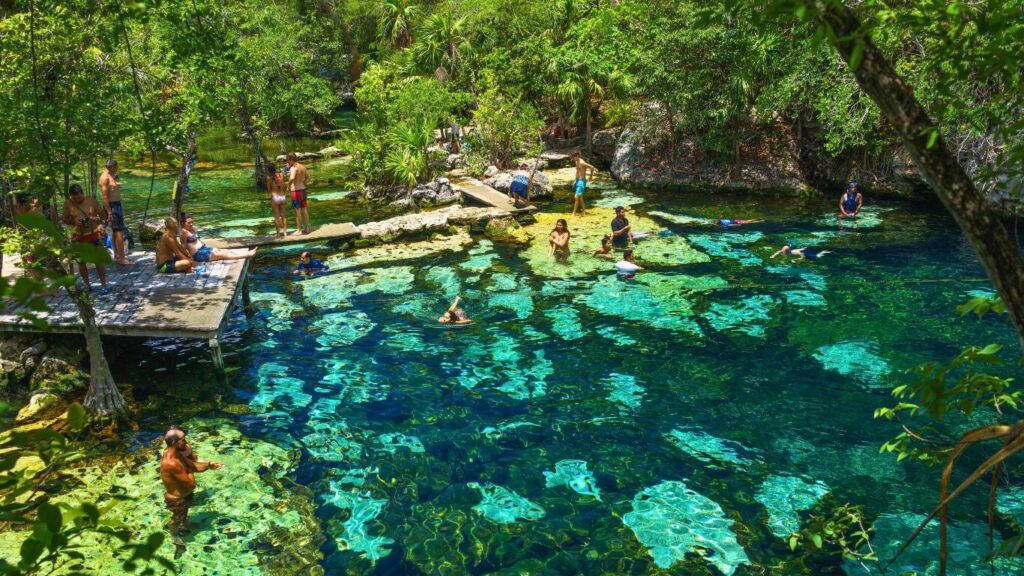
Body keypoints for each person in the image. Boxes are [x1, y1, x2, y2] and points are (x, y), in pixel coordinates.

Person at [160, 425, 223, 545]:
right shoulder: (170, 463)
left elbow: (194, 466)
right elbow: (191, 484)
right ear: (174, 442)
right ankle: (174, 537)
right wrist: (189, 469)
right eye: (183, 439)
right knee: (176, 520)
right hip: (177, 500)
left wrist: (209, 465)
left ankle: (186, 524)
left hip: (184, 495)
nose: (186, 441)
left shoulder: (177, 454)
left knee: (184, 515)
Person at [62, 184, 108, 291]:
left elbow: (102, 215)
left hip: (92, 234)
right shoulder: (68, 204)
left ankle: (104, 284)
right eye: (75, 198)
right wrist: (73, 222)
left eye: (79, 197)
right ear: (70, 197)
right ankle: (87, 284)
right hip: (78, 236)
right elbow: (64, 220)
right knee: (81, 262)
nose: (77, 200)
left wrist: (101, 225)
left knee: (98, 261)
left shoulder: (91, 201)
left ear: (83, 194)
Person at [179, 214, 256, 263]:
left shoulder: (191, 228)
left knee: (224, 250)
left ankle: (245, 253)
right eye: (189, 223)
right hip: (198, 254)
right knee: (223, 254)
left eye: (192, 222)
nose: (191, 224)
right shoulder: (184, 232)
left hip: (204, 249)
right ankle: (247, 255)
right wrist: (188, 258)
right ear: (183, 223)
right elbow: (183, 246)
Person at [98, 159, 130, 265]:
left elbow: (114, 188)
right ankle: (122, 258)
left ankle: (117, 256)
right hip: (112, 207)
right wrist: (109, 212)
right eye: (111, 167)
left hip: (117, 205)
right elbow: (104, 197)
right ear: (111, 167)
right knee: (119, 232)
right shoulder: (105, 178)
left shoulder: (113, 175)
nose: (114, 169)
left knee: (114, 232)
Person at [286, 152, 312, 235]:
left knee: (297, 211)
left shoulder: (293, 168)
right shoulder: (302, 167)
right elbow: (309, 178)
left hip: (296, 191)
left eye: (288, 160)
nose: (287, 163)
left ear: (291, 159)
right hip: (303, 190)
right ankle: (307, 228)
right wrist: (302, 182)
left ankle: (299, 230)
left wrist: (288, 185)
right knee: (304, 210)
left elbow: (292, 178)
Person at [266, 164, 289, 237]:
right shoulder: (281, 175)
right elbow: (283, 185)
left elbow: (269, 189)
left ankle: (278, 233)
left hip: (275, 197)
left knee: (276, 217)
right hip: (282, 196)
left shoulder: (268, 178)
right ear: (275, 168)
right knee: (284, 216)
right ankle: (285, 232)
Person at [570, 152, 596, 217]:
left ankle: (574, 213)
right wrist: (575, 180)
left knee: (576, 197)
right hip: (578, 181)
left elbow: (592, 167)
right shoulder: (576, 162)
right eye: (572, 157)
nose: (573, 158)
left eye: (574, 157)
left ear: (577, 156)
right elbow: (577, 171)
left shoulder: (582, 162)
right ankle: (584, 211)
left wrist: (590, 176)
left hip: (582, 181)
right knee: (580, 197)